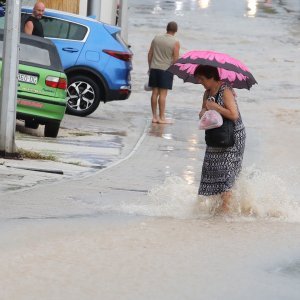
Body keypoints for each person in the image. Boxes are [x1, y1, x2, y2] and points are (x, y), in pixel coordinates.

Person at [194, 65, 246, 213]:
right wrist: (203, 111)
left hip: (232, 137)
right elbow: (203, 113)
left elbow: (234, 115)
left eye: (202, 79)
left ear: (211, 77)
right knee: (213, 172)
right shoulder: (206, 93)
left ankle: (225, 214)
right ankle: (217, 210)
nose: (200, 82)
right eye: (198, 79)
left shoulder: (226, 91)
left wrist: (215, 107)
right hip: (215, 136)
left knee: (226, 176)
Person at [147, 21, 180, 124]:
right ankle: (162, 118)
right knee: (163, 95)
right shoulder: (175, 42)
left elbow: (150, 54)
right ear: (176, 30)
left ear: (167, 28)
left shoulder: (156, 38)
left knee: (154, 93)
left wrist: (150, 67)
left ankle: (154, 117)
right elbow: (175, 59)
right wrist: (173, 71)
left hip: (154, 68)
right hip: (166, 70)